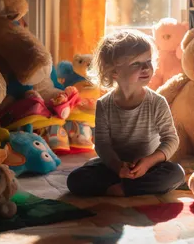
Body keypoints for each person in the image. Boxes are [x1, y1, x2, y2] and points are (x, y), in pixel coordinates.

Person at [67, 29, 185, 197]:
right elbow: (102, 144)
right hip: (115, 167)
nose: (146, 67)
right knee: (75, 179)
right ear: (114, 72)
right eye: (136, 63)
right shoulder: (104, 104)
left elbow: (171, 140)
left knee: (175, 173)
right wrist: (117, 166)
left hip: (149, 167)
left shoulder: (157, 102)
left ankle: (124, 189)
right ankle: (122, 185)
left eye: (148, 61)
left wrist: (147, 162)